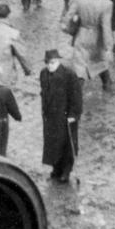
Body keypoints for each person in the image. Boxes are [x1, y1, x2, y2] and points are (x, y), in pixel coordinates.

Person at [39, 47, 83, 184]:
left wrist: (74, 114)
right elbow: (43, 92)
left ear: (58, 61)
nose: (49, 66)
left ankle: (66, 171)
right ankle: (56, 168)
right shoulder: (43, 73)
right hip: (50, 116)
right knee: (53, 144)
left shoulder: (69, 74)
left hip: (65, 116)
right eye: (47, 63)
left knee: (66, 144)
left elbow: (76, 96)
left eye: (52, 63)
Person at [68, 0, 115, 93]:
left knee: (80, 67)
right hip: (97, 36)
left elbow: (68, 17)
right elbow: (106, 27)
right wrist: (108, 48)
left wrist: (70, 30)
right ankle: (107, 88)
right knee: (100, 62)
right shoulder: (106, 3)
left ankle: (77, 97)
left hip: (81, 34)